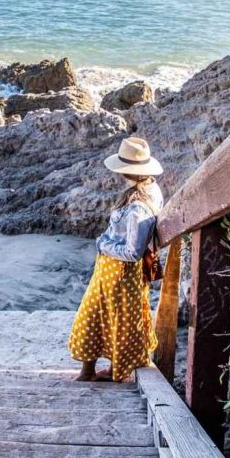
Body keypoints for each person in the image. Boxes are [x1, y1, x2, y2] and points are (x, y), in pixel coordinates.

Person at [68, 136, 164, 382]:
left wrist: (103, 243)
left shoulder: (137, 208)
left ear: (125, 171)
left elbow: (132, 252)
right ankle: (103, 370)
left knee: (94, 316)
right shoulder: (150, 190)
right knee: (118, 318)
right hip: (117, 270)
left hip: (119, 271)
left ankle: (90, 372)